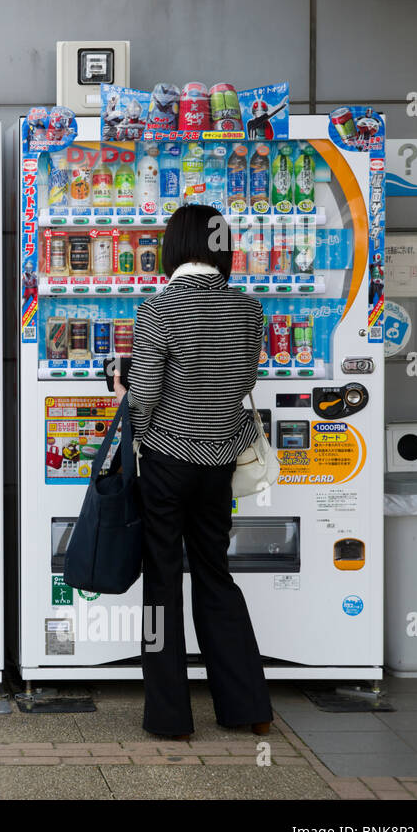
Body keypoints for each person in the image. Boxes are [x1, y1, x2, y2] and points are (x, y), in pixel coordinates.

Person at [113, 203, 273, 740]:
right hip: (219, 464)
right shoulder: (249, 310)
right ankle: (250, 707)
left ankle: (170, 717)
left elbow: (147, 395)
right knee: (215, 576)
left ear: (174, 247)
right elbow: (244, 379)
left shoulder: (159, 310)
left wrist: (123, 392)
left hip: (165, 462)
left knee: (162, 585)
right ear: (222, 248)